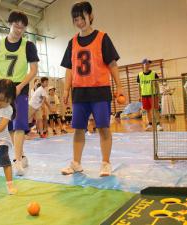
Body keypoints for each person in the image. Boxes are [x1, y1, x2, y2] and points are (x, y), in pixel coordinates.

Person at [61, 1, 124, 177]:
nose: (79, 22)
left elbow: (112, 63)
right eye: (76, 19)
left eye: (82, 17)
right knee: (78, 129)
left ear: (91, 16)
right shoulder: (72, 42)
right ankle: (76, 163)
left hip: (100, 91)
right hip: (79, 92)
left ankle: (105, 163)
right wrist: (66, 89)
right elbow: (69, 68)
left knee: (103, 127)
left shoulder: (102, 37)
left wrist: (119, 86)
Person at [0, 11, 39, 176]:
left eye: (22, 28)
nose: (19, 30)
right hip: (2, 89)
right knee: (8, 124)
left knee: (19, 124)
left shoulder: (28, 45)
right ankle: (20, 155)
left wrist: (20, 86)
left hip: (19, 88)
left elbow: (34, 70)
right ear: (9, 24)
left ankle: (16, 161)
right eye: (16, 26)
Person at [137, 59, 163, 131]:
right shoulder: (139, 75)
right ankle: (150, 124)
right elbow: (139, 87)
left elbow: (157, 85)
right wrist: (140, 96)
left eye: (149, 64)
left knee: (155, 109)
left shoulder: (154, 73)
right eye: (146, 64)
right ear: (143, 65)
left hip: (153, 94)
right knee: (147, 110)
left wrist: (158, 94)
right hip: (144, 95)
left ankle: (158, 125)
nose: (148, 65)